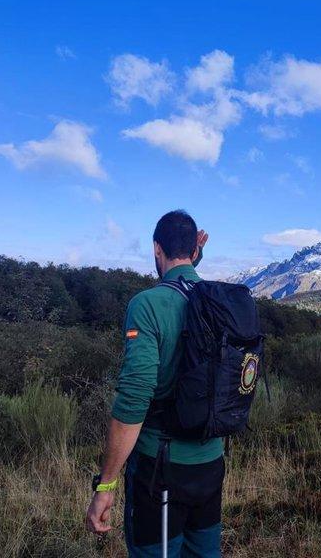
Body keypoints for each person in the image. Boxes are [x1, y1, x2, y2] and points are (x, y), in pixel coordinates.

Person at [85, 210, 224, 557]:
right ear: (194, 250)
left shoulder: (146, 305)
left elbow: (133, 400)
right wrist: (193, 260)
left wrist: (106, 485)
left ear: (156, 249)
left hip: (160, 472)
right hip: (211, 463)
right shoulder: (219, 302)